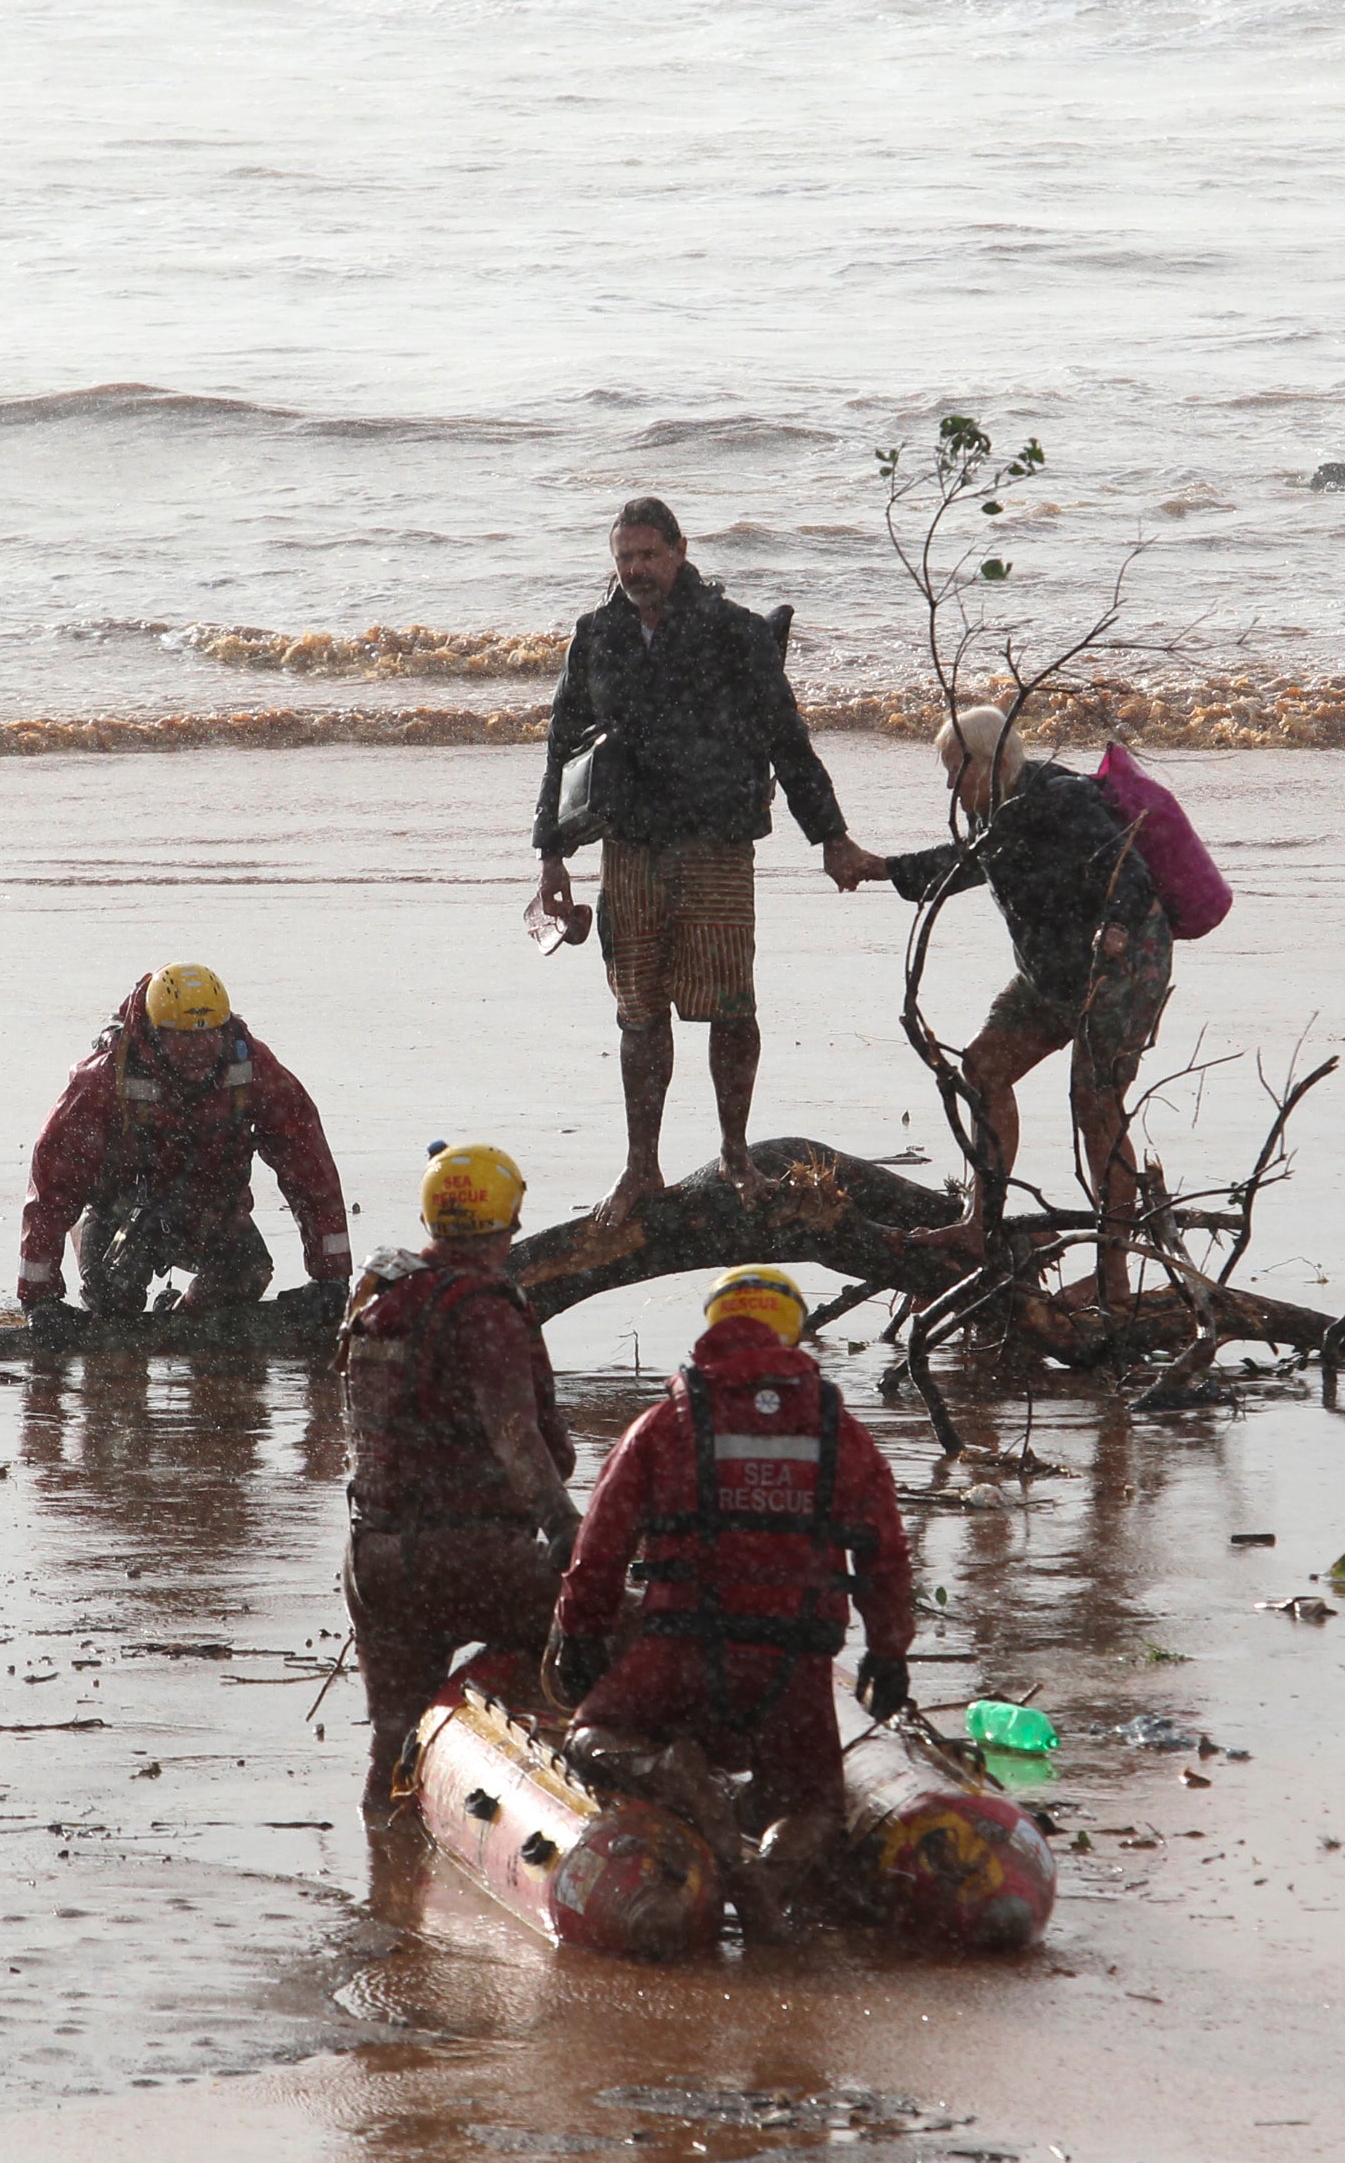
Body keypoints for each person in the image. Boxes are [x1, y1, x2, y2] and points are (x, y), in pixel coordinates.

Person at [532, 497, 886, 1221]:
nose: (635, 569)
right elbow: (563, 745)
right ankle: (641, 1169)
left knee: (731, 1006)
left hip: (716, 844)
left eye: (648, 555)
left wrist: (831, 837)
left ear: (680, 550)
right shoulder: (596, 635)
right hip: (629, 848)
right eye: (624, 556)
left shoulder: (735, 633)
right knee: (638, 1013)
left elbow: (789, 741)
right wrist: (552, 854)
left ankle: (735, 1154)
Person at [545, 1265, 914, 1938]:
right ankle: (767, 1885)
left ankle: (667, 1772)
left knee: (590, 1738)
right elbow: (885, 1556)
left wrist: (581, 1631)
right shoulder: (844, 1433)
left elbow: (599, 1543)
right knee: (815, 1810)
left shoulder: (666, 1422)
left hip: (679, 1655)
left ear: (713, 1329)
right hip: (791, 1670)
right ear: (795, 1332)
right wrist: (889, 1654)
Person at [881, 706, 1172, 1309]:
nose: (949, 787)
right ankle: (980, 1224)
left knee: (1095, 1106)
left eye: (955, 771)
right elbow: (957, 867)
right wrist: (881, 869)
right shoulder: (999, 817)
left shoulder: (1064, 800)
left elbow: (1135, 874)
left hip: (1119, 972)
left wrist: (1115, 927)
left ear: (991, 763)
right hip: (1051, 978)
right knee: (984, 1066)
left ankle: (1113, 1278)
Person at [335, 1142, 578, 1813]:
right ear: (510, 1224)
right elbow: (515, 1436)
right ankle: (605, 1811)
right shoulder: (485, 1310)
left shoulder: (380, 1297)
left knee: (391, 1740)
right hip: (473, 1555)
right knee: (617, 1629)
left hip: (376, 1560)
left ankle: (387, 1879)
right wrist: (567, 1533)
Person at [16, 963, 352, 1337]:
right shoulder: (107, 1078)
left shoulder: (254, 1071)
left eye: (208, 1036)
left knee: (245, 1275)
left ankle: (183, 1323)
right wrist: (39, 1299)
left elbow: (311, 1173)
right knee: (113, 1300)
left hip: (209, 1210)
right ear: (157, 1034)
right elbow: (52, 1188)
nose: (197, 1049)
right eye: (182, 1038)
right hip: (121, 1214)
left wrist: (331, 1278)